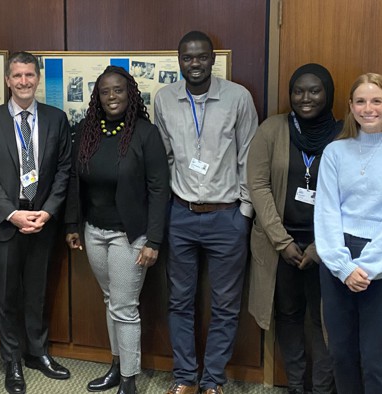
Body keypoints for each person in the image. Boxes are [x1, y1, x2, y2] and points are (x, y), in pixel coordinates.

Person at [154, 31, 257, 394]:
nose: (194, 63)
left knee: (226, 305)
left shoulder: (237, 98)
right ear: (178, 60)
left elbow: (249, 157)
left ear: (213, 59)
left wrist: (244, 211)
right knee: (179, 301)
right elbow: (163, 159)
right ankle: (185, 377)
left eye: (201, 57)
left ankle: (212, 380)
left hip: (226, 216)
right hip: (180, 214)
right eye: (187, 57)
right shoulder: (164, 99)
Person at [314, 73, 382, 394]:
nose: (368, 109)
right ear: (350, 107)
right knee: (341, 353)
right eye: (360, 101)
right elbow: (326, 212)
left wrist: (370, 267)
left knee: (376, 357)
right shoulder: (336, 151)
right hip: (338, 258)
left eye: (376, 101)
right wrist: (343, 266)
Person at [64, 66, 170, 394]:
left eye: (119, 90)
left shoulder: (144, 133)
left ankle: (128, 379)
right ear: (98, 96)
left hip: (130, 235)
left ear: (130, 93)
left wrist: (153, 239)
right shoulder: (85, 131)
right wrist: (71, 224)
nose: (112, 97)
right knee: (111, 300)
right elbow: (72, 180)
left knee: (124, 307)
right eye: (106, 91)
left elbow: (159, 189)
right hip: (94, 231)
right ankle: (116, 365)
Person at [0, 51, 73, 394]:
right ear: (7, 80)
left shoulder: (56, 118)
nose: (24, 82)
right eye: (17, 76)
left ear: (38, 78)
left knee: (37, 293)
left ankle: (37, 353)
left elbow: (64, 170)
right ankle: (12, 360)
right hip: (6, 222)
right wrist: (12, 214)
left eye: (30, 75)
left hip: (43, 220)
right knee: (6, 296)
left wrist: (48, 211)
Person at [247, 63, 339, 394]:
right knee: (287, 315)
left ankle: (323, 388)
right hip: (280, 245)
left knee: (325, 321)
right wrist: (282, 241)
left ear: (328, 93)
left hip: (328, 246)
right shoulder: (273, 129)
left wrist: (319, 247)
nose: (305, 97)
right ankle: (296, 386)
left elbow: (352, 197)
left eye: (314, 90)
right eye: (298, 91)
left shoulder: (345, 134)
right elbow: (257, 185)